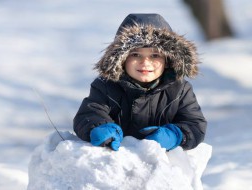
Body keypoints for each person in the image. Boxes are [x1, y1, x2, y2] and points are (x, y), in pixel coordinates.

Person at [73, 13, 207, 151]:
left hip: (162, 163)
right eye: (135, 55)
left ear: (168, 60)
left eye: (155, 55)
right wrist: (100, 127)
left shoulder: (179, 90)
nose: (145, 62)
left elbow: (194, 123)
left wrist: (175, 135)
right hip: (114, 159)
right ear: (122, 59)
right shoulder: (105, 86)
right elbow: (89, 114)